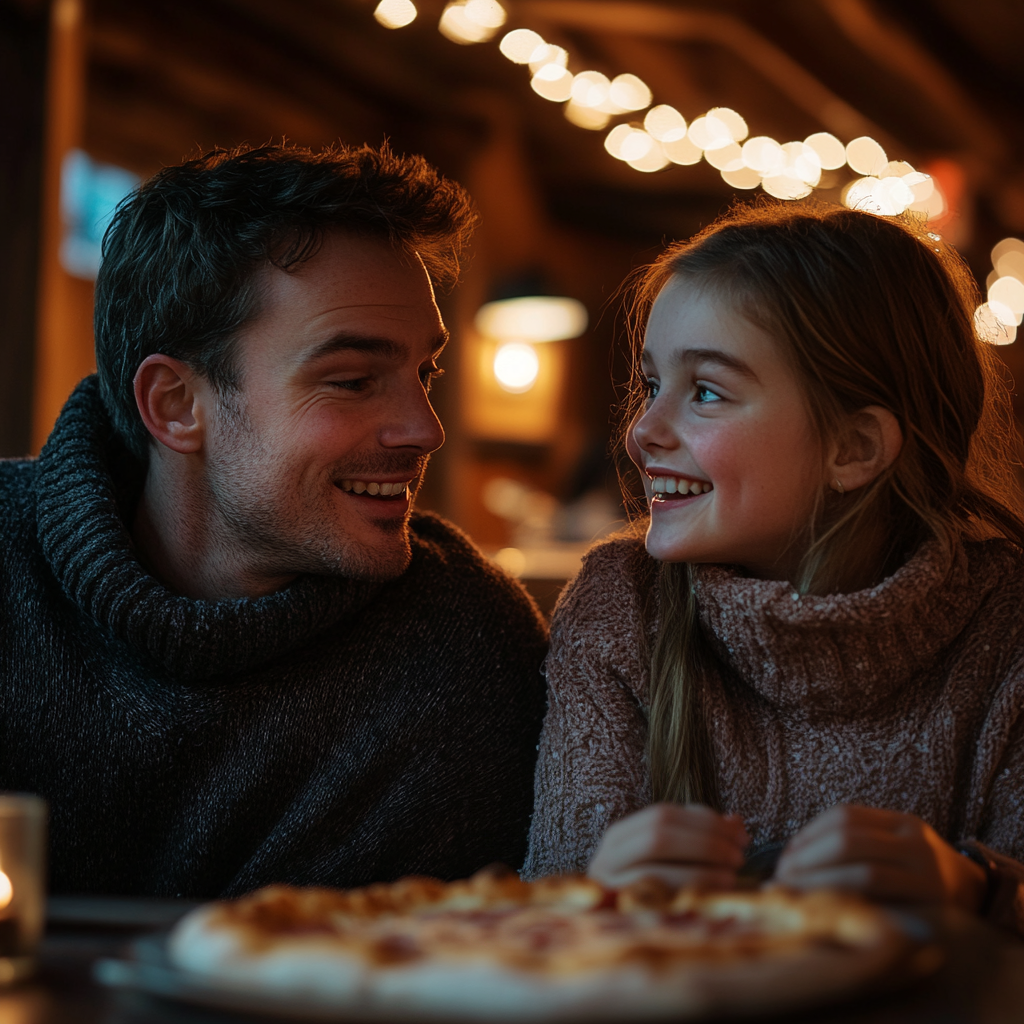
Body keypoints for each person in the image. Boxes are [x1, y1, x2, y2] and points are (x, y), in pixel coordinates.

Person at [0, 143, 548, 898]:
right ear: (175, 405)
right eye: (353, 381)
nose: (425, 428)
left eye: (425, 373)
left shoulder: (466, 647)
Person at [523, 202, 1024, 932]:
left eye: (706, 392)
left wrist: (977, 892)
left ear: (852, 448)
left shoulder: (1007, 621)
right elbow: (537, 926)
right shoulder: (622, 607)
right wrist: (590, 900)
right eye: (652, 384)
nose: (641, 431)